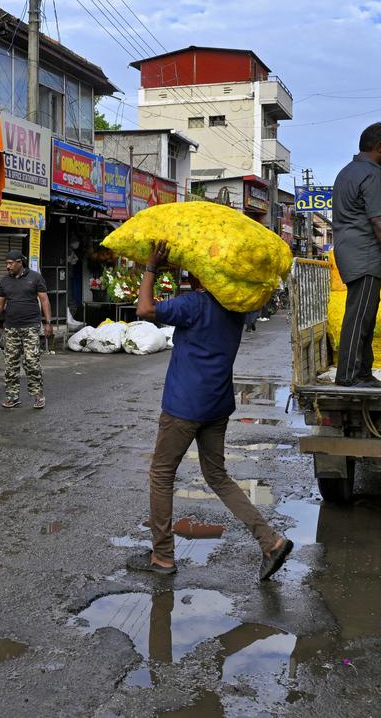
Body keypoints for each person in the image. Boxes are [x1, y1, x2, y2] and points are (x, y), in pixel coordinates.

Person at [129, 241, 292, 580]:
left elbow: (144, 310)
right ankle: (270, 541)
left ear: (200, 277)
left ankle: (162, 556)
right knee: (217, 476)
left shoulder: (194, 304)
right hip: (217, 406)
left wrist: (151, 267)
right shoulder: (236, 307)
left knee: (161, 474)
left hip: (184, 407)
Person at [331, 121, 381, 387]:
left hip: (355, 253)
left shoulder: (348, 172)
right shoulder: (373, 175)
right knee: (359, 319)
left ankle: (362, 373)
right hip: (364, 256)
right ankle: (349, 376)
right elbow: (380, 221)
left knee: (363, 316)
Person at [0, 250, 52, 409]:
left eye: (10, 263)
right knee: (11, 364)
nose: (7, 266)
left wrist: (48, 323)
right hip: (10, 328)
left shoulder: (35, 277)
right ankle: (13, 397)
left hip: (31, 326)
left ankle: (38, 395)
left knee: (31, 361)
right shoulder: (4, 281)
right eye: (6, 263)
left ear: (19, 262)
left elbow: (44, 300)